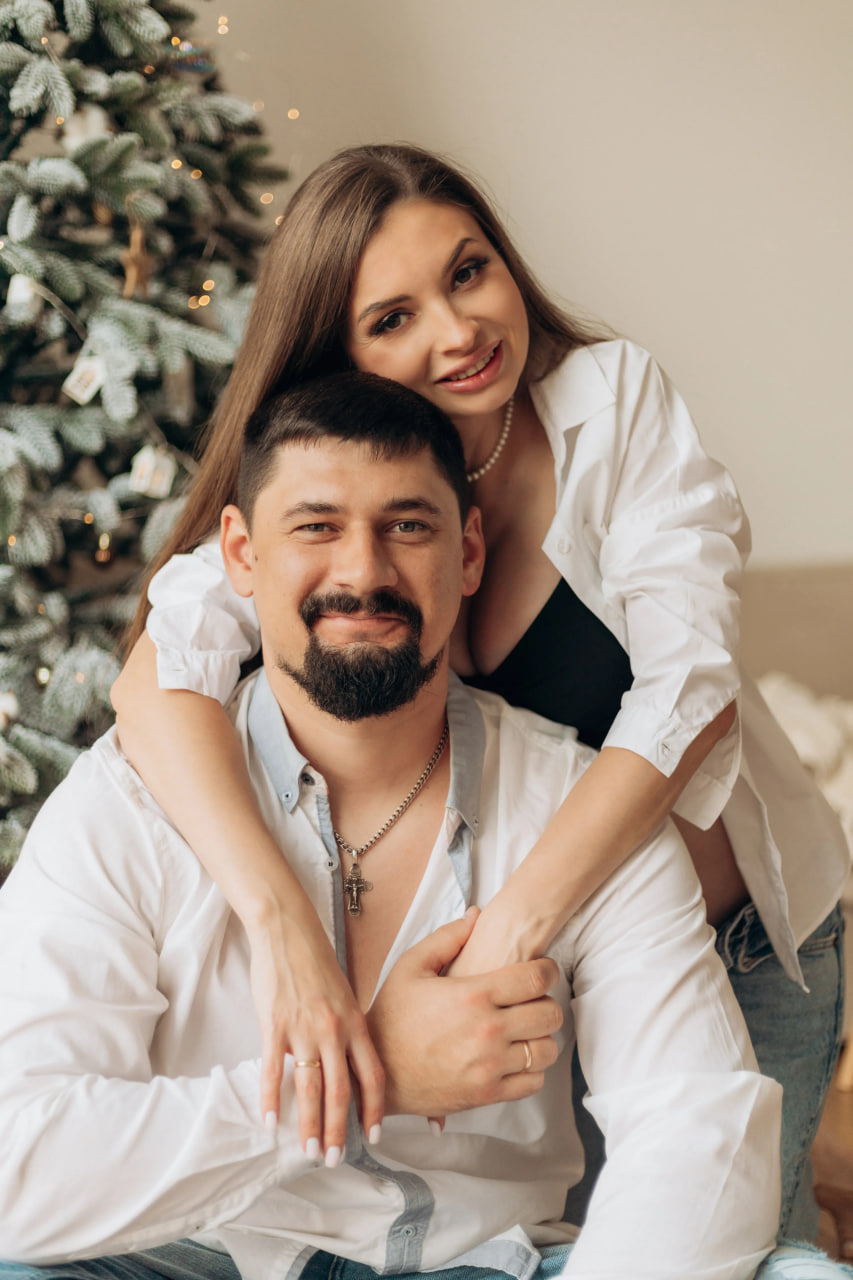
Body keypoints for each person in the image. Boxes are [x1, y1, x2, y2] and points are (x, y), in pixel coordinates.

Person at [111, 143, 849, 1241]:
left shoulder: (610, 404)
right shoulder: (335, 486)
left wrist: (512, 929)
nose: (458, 331)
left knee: (739, 1247)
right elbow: (158, 676)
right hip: (544, 990)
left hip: (722, 950)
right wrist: (281, 926)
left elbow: (690, 692)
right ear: (339, 353)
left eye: (467, 272)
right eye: (393, 317)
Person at [2, 371, 846, 1280]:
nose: (362, 571)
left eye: (406, 526)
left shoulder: (580, 808)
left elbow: (696, 1128)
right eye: (316, 527)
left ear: (468, 552)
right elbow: (18, 1167)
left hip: (481, 1263)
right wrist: (373, 1076)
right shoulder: (129, 800)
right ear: (240, 556)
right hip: (196, 1262)